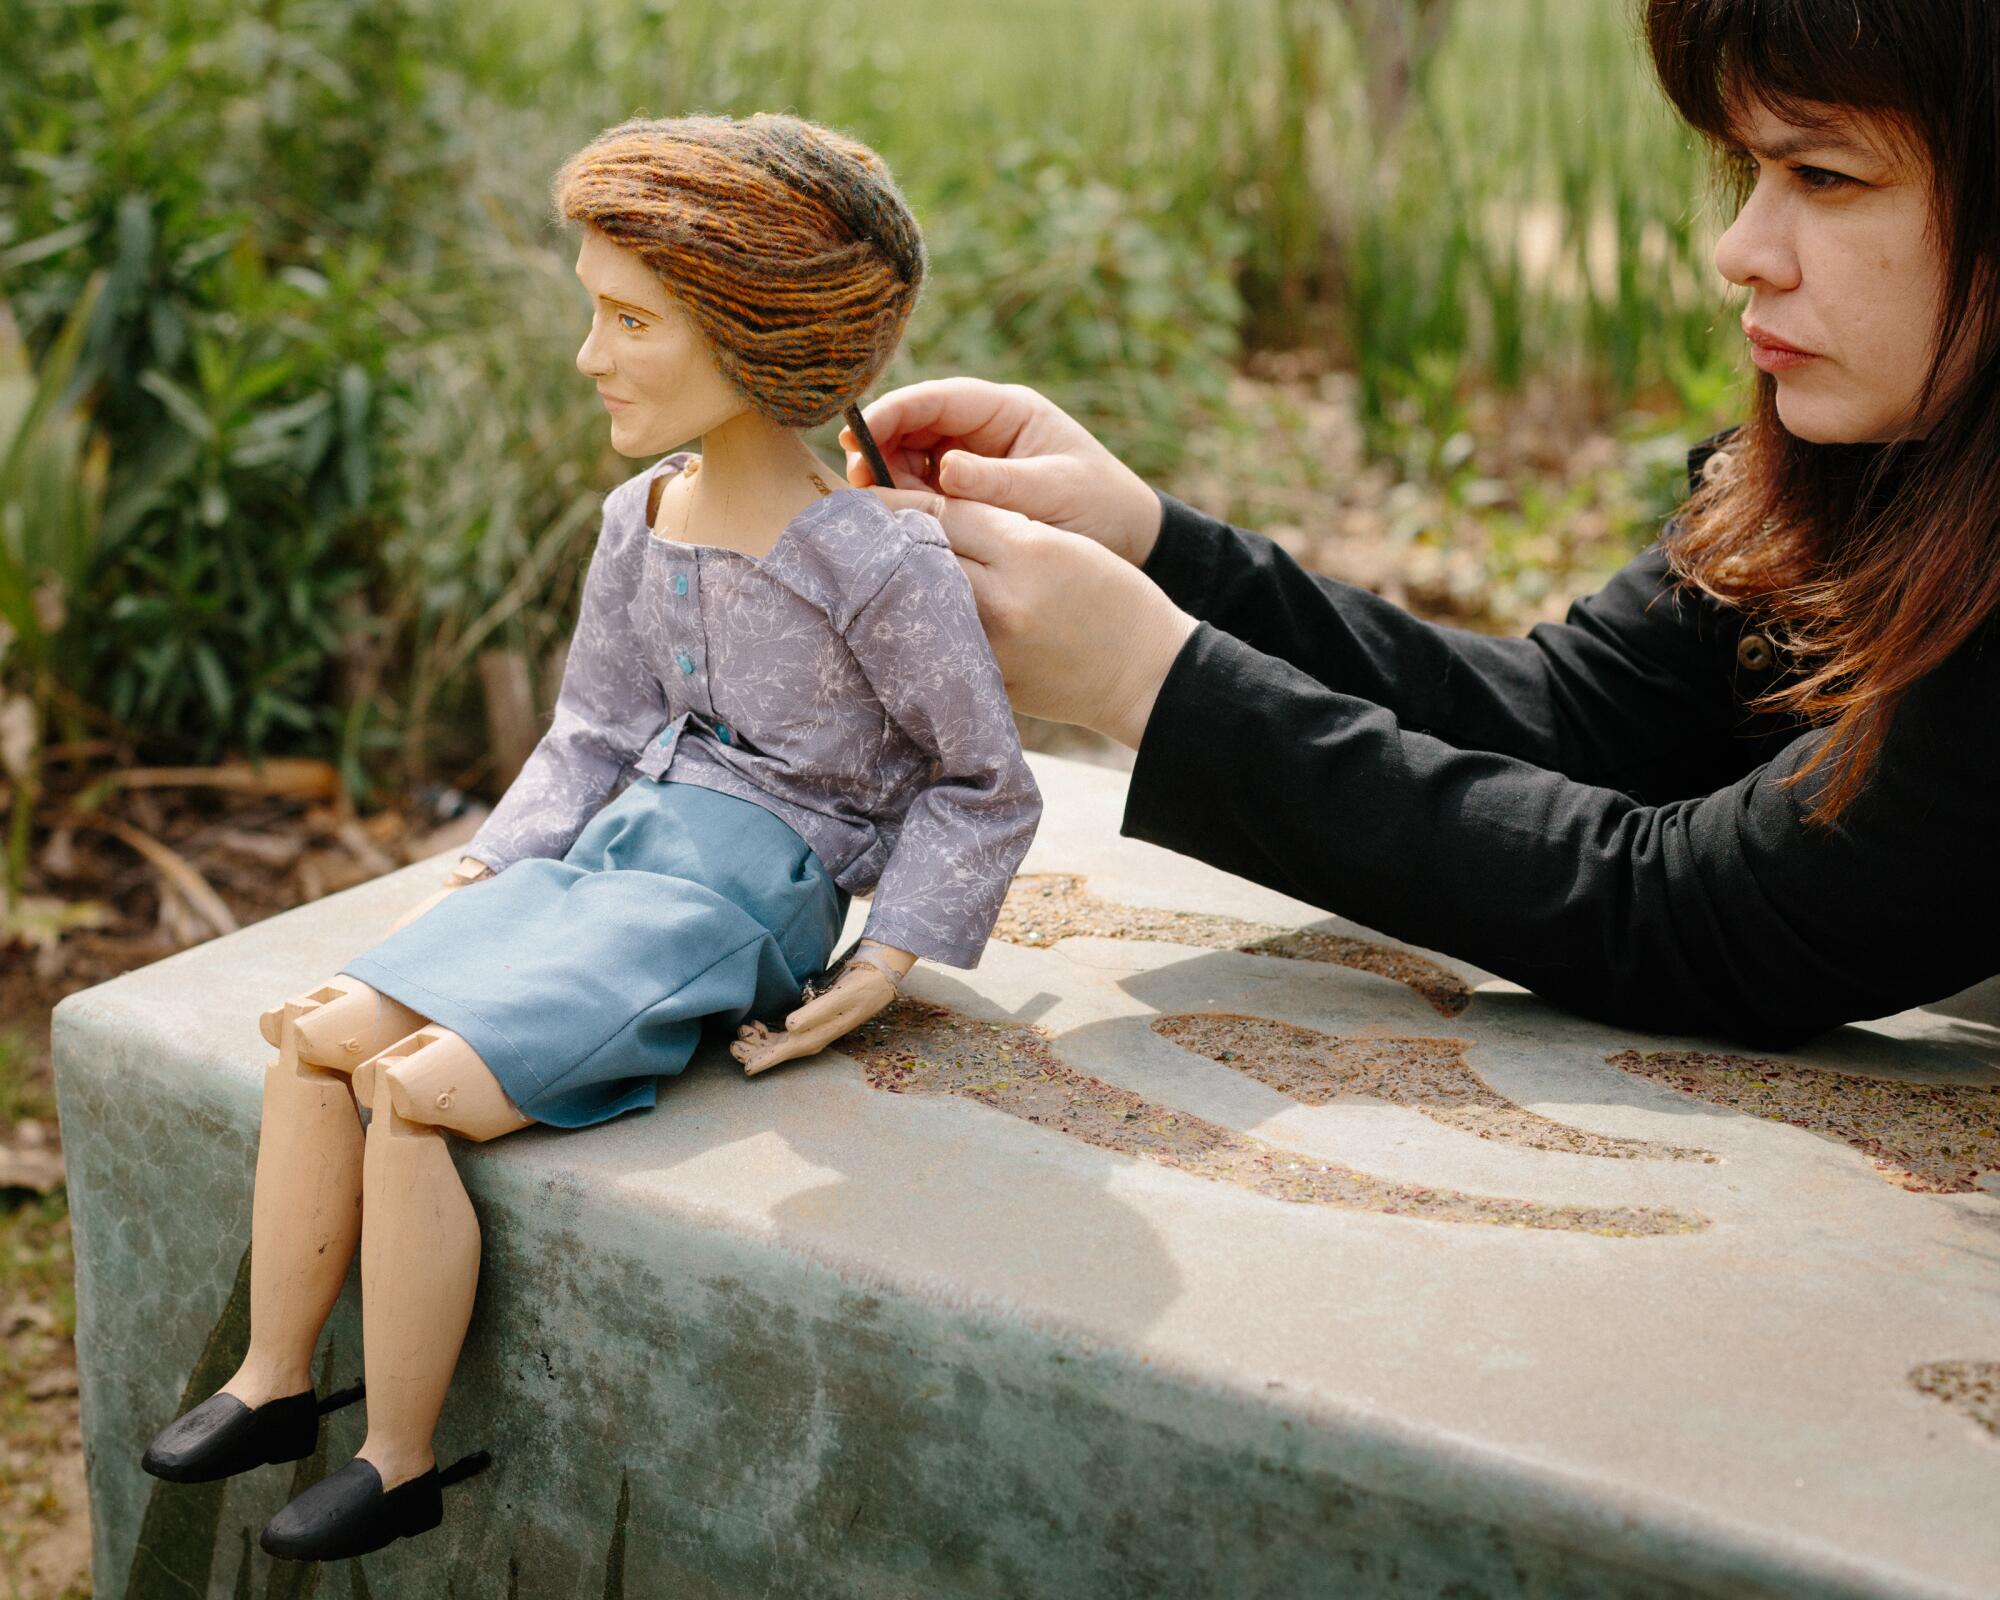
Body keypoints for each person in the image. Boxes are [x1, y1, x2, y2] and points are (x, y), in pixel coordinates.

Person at [842, 0, 2000, 1049]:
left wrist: (1146, 683)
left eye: (1826, 177)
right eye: (1749, 170)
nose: (1739, 250)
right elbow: (1565, 719)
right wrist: (1151, 546)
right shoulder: (1875, 452)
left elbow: (1702, 917)